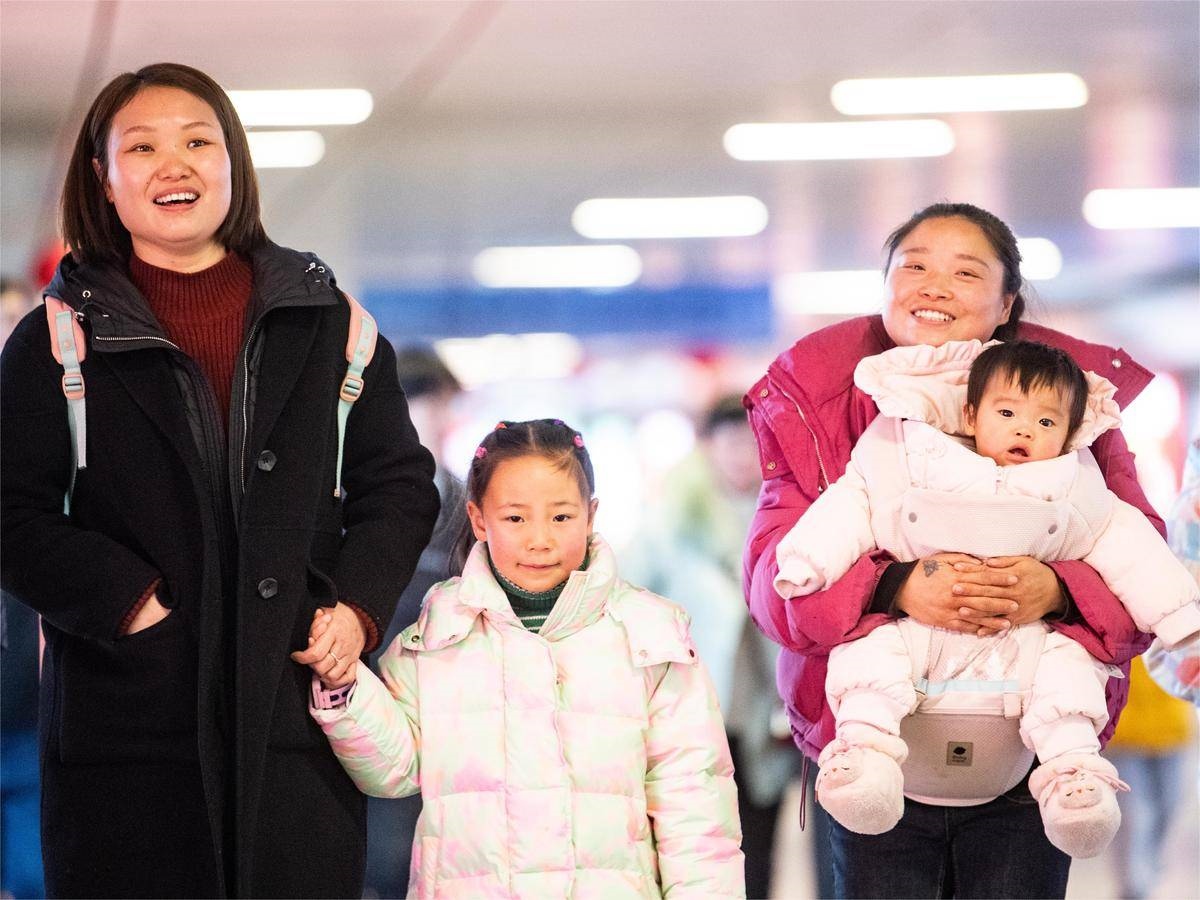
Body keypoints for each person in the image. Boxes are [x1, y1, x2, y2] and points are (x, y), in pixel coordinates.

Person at [0, 63, 440, 897]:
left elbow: (400, 485)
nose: (175, 164)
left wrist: (356, 607)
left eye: (198, 142)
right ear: (104, 178)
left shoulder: (328, 324)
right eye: (142, 147)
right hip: (127, 729)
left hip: (295, 717)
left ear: (233, 163)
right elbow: (11, 513)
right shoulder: (56, 339)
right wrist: (129, 604)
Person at [743, 202, 1165, 899]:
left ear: (1007, 304)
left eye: (966, 272)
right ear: (885, 286)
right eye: (914, 266)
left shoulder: (1073, 412)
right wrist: (894, 587)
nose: (934, 285)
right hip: (868, 749)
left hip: (1029, 753)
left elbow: (1141, 572)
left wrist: (1058, 590)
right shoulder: (815, 407)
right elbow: (774, 586)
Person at [771, 338, 1199, 857]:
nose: (1025, 430)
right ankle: (864, 751)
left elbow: (1129, 543)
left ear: (1070, 432)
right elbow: (852, 506)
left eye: (1046, 422)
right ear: (972, 414)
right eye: (1007, 413)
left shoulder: (1076, 484)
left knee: (1068, 666)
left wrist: (1178, 615)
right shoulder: (908, 454)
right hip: (917, 627)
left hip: (1026, 638)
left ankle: (1073, 775)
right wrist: (806, 562)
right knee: (871, 650)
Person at [300, 418, 746, 897]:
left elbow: (696, 809)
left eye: (561, 517)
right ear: (478, 519)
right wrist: (345, 685)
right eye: (515, 518)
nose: (540, 539)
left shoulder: (650, 635)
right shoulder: (439, 631)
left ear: (591, 515)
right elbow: (395, 769)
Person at [627, 396, 801, 899]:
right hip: (692, 711)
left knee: (759, 843)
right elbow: (627, 598)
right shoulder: (672, 521)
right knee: (695, 843)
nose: (743, 455)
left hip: (766, 712)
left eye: (754, 443)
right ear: (708, 446)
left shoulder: (792, 519)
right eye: (731, 442)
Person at [365, 346, 468, 899]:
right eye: (426, 404)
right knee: (386, 859)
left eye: (443, 404)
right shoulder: (354, 498)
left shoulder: (467, 505)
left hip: (452, 714)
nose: (438, 418)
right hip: (374, 707)